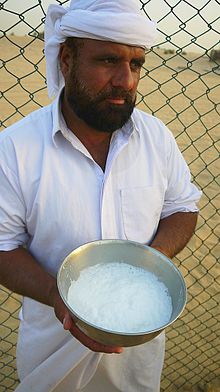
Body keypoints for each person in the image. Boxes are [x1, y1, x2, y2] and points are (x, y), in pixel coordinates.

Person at [0, 0, 202, 391]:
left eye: (136, 64)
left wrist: (150, 264)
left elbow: (182, 207)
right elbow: (3, 246)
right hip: (51, 357)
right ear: (66, 59)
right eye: (108, 60)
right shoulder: (15, 149)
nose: (126, 80)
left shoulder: (156, 138)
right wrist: (58, 298)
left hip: (137, 361)